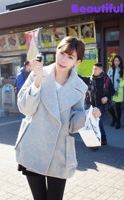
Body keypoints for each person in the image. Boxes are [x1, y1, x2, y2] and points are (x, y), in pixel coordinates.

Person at [15, 36, 101, 200]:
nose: (64, 59)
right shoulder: (38, 73)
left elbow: (72, 123)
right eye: (62, 53)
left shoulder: (79, 87)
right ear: (57, 51)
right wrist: (38, 80)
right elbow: (25, 108)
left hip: (59, 151)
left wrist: (89, 116)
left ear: (77, 62)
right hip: (34, 146)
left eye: (70, 57)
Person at [85, 63, 115, 146]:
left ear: (101, 70)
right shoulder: (91, 78)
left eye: (96, 69)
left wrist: (106, 97)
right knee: (93, 122)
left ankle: (102, 140)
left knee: (98, 122)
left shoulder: (106, 79)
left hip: (101, 105)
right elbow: (83, 79)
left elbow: (112, 91)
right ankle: (101, 140)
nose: (93, 71)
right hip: (92, 104)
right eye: (93, 69)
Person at [108, 55, 124, 129]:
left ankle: (118, 122)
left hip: (118, 91)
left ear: (120, 62)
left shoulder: (123, 69)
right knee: (109, 107)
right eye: (115, 60)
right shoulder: (110, 69)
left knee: (118, 108)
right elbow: (108, 78)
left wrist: (119, 84)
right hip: (111, 91)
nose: (116, 62)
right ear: (113, 61)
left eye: (118, 61)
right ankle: (114, 119)